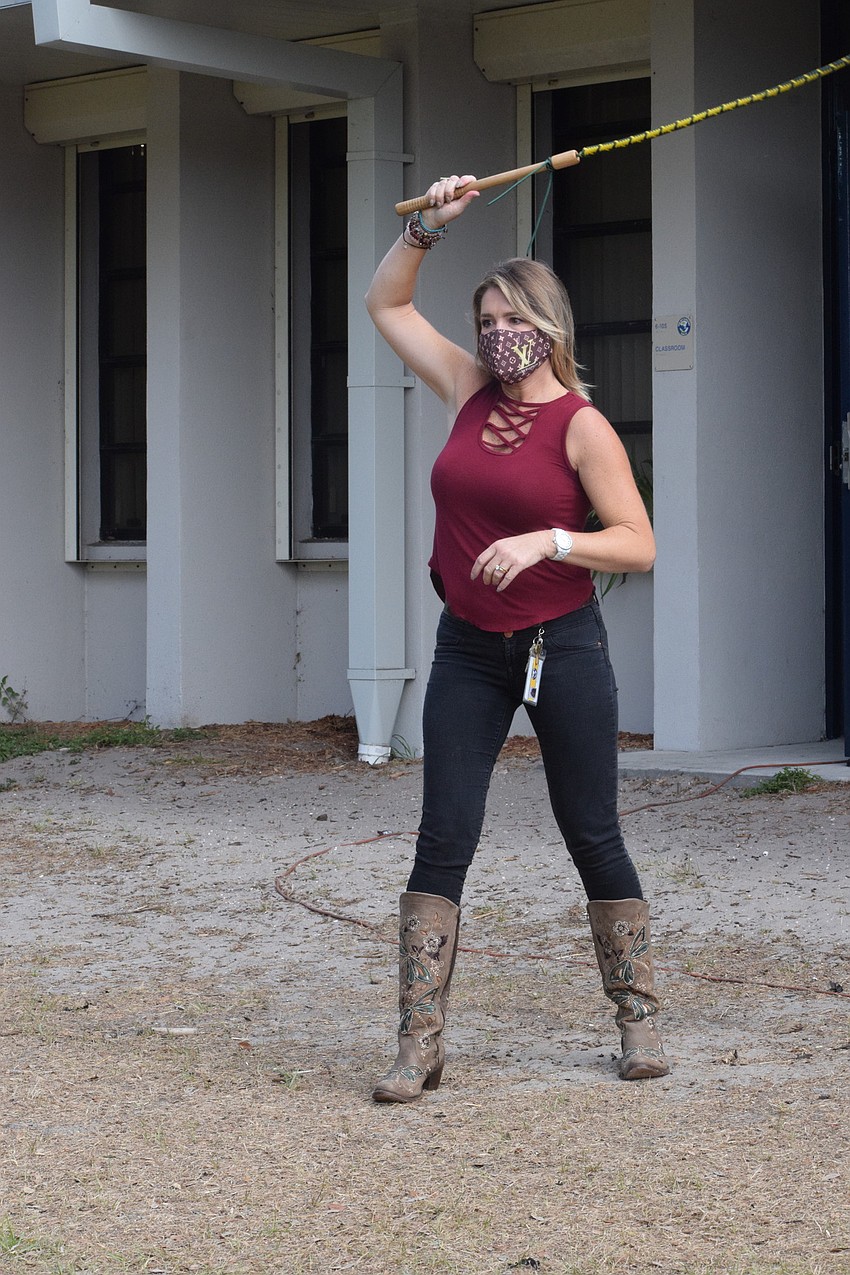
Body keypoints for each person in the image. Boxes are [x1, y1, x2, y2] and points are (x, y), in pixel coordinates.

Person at [365, 175, 669, 1103]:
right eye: (486, 319)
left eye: (512, 318)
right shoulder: (466, 387)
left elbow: (639, 544)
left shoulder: (582, 426)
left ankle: (638, 1017)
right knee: (443, 835)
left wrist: (552, 540)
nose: (498, 333)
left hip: (561, 645)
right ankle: (419, 1042)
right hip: (468, 648)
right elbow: (387, 305)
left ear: (548, 324)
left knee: (591, 830)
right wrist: (426, 227)